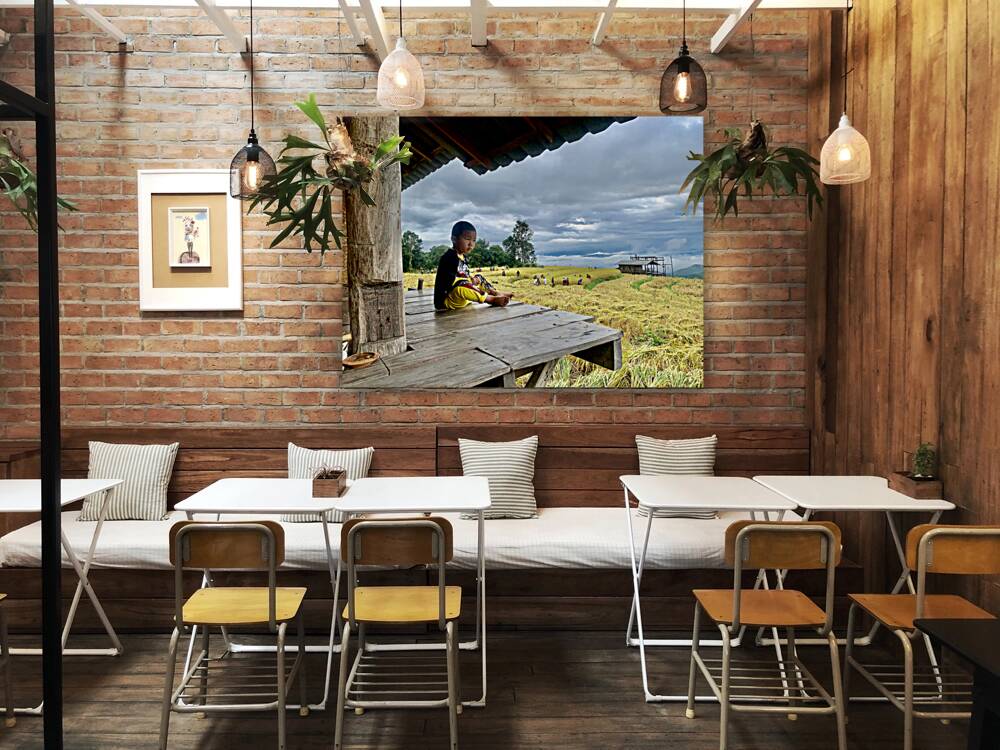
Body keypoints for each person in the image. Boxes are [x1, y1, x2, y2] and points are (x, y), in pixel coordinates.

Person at [433, 221, 513, 311]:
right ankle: (491, 299)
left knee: (478, 277)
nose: (471, 244)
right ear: (454, 239)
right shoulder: (449, 257)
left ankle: (495, 293)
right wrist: (468, 281)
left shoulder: (463, 257)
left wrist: (472, 279)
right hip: (447, 300)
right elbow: (451, 281)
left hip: (463, 298)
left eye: (474, 240)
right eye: (467, 239)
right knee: (462, 286)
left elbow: (465, 273)